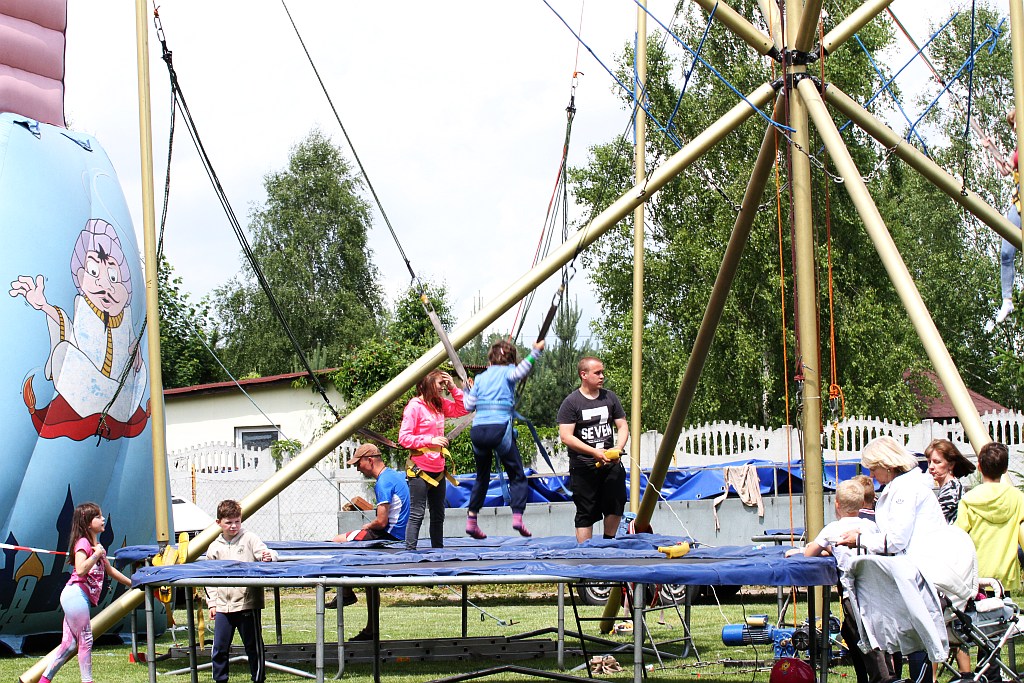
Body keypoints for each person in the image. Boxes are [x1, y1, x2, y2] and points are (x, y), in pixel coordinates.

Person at [837, 436, 949, 683]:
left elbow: (895, 540)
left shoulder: (905, 490)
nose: (871, 473)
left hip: (921, 574)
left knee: (913, 633)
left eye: (873, 467)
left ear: (887, 465)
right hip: (911, 572)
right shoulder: (901, 488)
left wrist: (859, 539)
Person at [786, 482, 887, 683]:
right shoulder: (871, 526)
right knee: (858, 633)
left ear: (837, 504)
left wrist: (801, 550)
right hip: (876, 590)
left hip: (854, 594)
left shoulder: (833, 528)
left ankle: (881, 677)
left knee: (863, 638)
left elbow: (809, 552)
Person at [39, 502, 132, 683]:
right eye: (98, 516)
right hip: (75, 594)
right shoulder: (83, 543)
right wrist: (96, 555)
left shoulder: (97, 544)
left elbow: (111, 572)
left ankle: (44, 680)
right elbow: (80, 569)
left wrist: (133, 584)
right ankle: (87, 681)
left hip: (78, 597)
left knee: (69, 645)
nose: (103, 518)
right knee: (86, 640)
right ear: (88, 523)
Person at [462, 339, 544, 539]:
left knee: (482, 477)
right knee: (517, 474)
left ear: (490, 358)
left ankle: (472, 519)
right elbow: (520, 372)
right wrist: (535, 352)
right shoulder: (509, 372)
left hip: (478, 432)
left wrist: (466, 390)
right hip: (498, 430)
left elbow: (468, 406)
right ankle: (517, 516)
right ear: (511, 359)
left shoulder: (480, 378)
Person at [326, 443, 410, 640]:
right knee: (370, 583)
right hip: (398, 535)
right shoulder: (395, 475)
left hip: (387, 535)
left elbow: (381, 521)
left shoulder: (382, 482)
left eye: (358, 464)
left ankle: (346, 592)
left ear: (369, 460)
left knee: (336, 541)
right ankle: (371, 630)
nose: (357, 468)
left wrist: (367, 526)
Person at [557, 356, 629, 543]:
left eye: (602, 372)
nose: (602, 376)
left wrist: (618, 448)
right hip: (583, 466)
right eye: (597, 373)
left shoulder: (610, 397)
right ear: (584, 375)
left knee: (616, 504)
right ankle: (585, 554)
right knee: (586, 512)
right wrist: (594, 452)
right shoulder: (571, 403)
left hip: (611, 463)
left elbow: (622, 426)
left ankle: (608, 542)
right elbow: (566, 436)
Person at [206, 499, 278, 683]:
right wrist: (212, 603)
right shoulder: (214, 547)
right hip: (223, 606)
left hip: (247, 604)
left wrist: (269, 557)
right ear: (219, 523)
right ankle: (220, 679)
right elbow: (209, 579)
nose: (233, 526)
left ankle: (258, 678)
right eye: (228, 522)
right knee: (220, 648)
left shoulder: (249, 539)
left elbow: (266, 552)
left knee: (253, 646)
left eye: (237, 521)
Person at [399, 370, 468, 550]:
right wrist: (430, 440)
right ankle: (410, 554)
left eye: (444, 385)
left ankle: (438, 553)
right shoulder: (415, 406)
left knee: (438, 515)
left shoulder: (438, 404)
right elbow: (404, 438)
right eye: (440, 384)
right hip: (419, 470)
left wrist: (453, 388)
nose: (442, 388)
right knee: (417, 514)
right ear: (428, 383)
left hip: (438, 469)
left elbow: (463, 408)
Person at [956, 441, 1024, 593]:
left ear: (979, 467)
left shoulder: (969, 500)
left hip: (978, 575)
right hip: (1005, 576)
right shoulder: (1018, 498)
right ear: (1005, 469)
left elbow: (959, 536)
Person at [986, 107, 1020, 331]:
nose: (1015, 128)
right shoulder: (1018, 150)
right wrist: (991, 150)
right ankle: (1007, 300)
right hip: (1019, 204)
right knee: (1006, 253)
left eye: (1017, 123)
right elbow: (1006, 170)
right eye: (1013, 124)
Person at [925, 439, 976, 524]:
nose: (931, 467)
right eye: (929, 462)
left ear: (951, 464)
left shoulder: (951, 489)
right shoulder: (951, 486)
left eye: (937, 462)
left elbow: (933, 520)